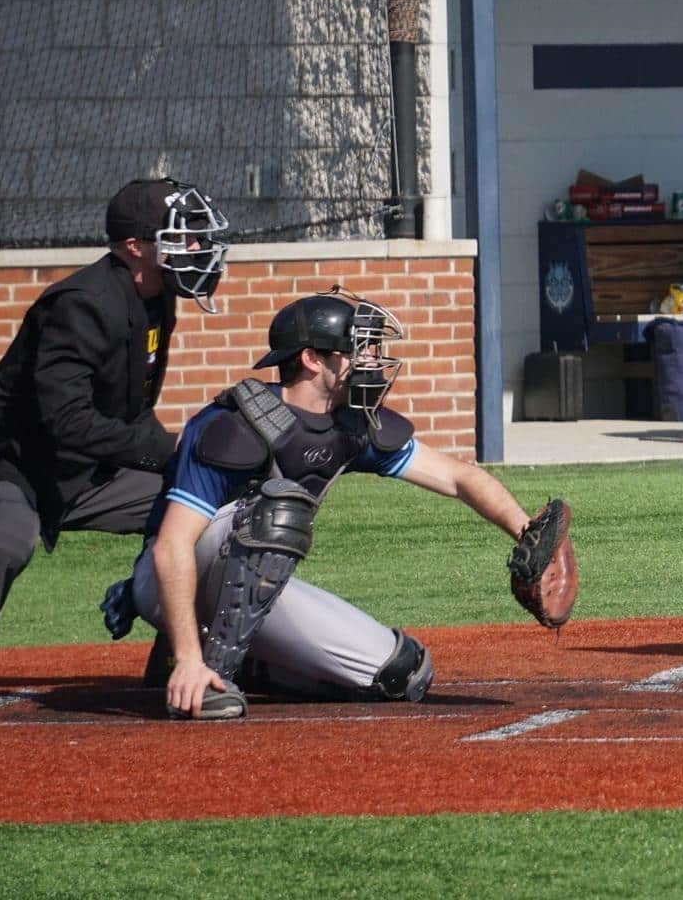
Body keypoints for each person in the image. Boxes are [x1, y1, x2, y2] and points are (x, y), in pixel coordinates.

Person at [111, 289, 545, 720]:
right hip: (165, 579)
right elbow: (171, 546)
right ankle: (201, 672)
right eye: (357, 350)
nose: (371, 361)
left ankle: (236, 661)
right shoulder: (229, 427)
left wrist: (530, 536)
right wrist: (192, 657)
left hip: (247, 581)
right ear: (312, 359)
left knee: (401, 673)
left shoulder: (350, 426)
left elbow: (459, 477)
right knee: (275, 513)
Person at [0, 179, 227, 655]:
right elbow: (66, 421)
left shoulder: (156, 297)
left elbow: (131, 413)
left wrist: (183, 463)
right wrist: (168, 448)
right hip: (8, 465)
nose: (196, 247)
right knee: (9, 537)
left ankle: (178, 641)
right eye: (181, 238)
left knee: (204, 505)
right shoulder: (81, 305)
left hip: (84, 469)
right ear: (135, 247)